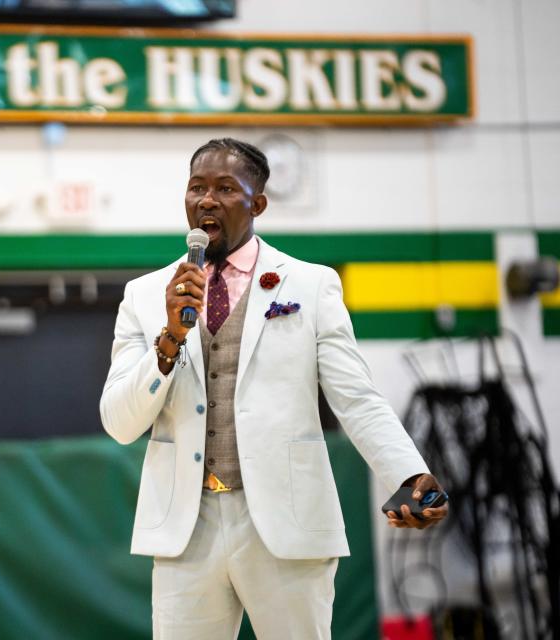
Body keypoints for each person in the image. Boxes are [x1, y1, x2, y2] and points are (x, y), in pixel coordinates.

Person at [99, 138, 448, 639]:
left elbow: (357, 398)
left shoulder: (310, 285)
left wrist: (410, 472)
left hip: (287, 522)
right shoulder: (146, 296)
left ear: (257, 203)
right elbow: (118, 421)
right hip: (183, 531)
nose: (206, 201)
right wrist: (171, 337)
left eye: (224, 188)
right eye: (196, 188)